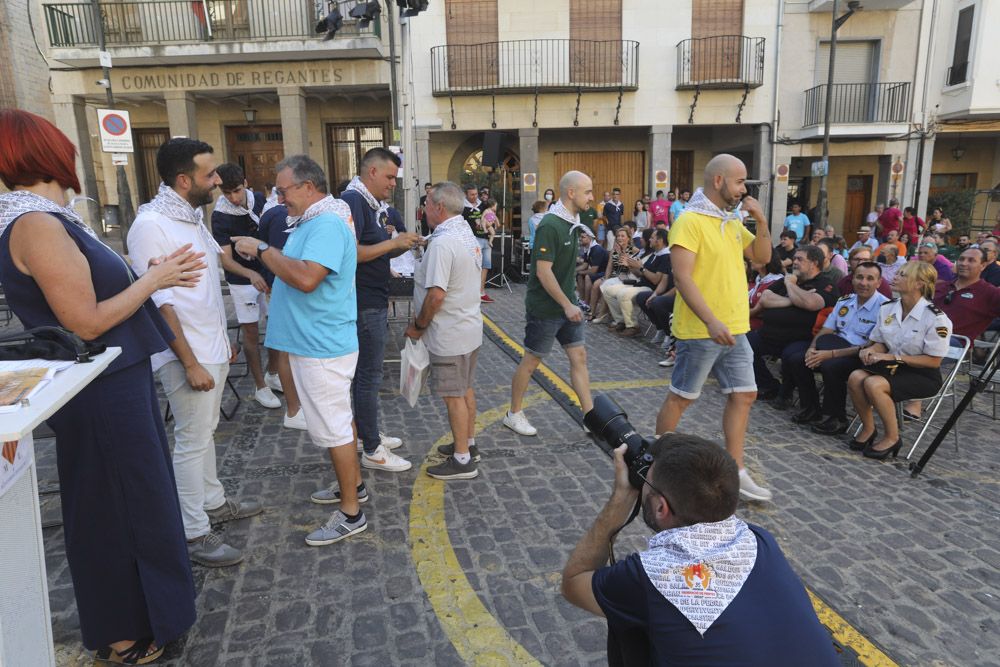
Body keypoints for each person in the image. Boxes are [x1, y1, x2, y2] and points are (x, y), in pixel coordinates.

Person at [0, 109, 199, 665]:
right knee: (118, 509)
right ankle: (124, 632)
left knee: (135, 502)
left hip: (113, 381)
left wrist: (149, 276)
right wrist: (155, 280)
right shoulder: (37, 224)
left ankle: (147, 616)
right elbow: (85, 320)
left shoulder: (45, 217)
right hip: (100, 390)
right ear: (47, 154)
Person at [560, 434, 839, 666]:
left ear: (661, 507)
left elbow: (574, 582)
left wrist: (621, 498)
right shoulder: (759, 540)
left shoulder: (646, 577)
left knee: (625, 618)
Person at [129, 138, 263, 568]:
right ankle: (192, 531)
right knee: (190, 440)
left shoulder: (190, 216)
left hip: (209, 347)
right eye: (209, 174)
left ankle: (213, 502)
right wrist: (188, 360)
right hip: (186, 353)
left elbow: (215, 268)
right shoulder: (151, 225)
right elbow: (159, 303)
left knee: (202, 434)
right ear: (184, 180)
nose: (218, 180)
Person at [233, 154, 366, 546]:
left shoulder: (324, 222)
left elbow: (307, 278)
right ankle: (352, 489)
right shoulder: (317, 219)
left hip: (321, 345)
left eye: (283, 190)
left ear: (308, 187)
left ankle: (350, 514)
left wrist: (261, 249)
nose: (278, 198)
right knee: (339, 421)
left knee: (335, 428)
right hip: (318, 340)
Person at [655, 154, 774, 501]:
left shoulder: (730, 220)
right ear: (719, 181)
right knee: (682, 397)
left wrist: (761, 220)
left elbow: (763, 257)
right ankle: (656, 462)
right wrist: (710, 320)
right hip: (702, 329)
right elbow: (682, 276)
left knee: (744, 395)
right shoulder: (691, 220)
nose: (744, 189)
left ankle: (736, 471)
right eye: (740, 181)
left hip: (735, 326)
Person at [340, 147, 419, 472]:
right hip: (363, 303)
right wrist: (393, 245)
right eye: (388, 177)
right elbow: (350, 252)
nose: (392, 184)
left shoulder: (370, 204)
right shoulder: (353, 201)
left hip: (371, 298)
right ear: (371, 172)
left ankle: (366, 435)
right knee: (368, 377)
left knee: (365, 377)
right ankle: (371, 449)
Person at [400, 182, 485, 479]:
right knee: (465, 389)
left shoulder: (443, 243)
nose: (424, 208)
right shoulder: (462, 233)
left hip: (449, 332)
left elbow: (436, 295)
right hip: (468, 327)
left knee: (453, 396)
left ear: (438, 207)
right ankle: (468, 443)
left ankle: (462, 460)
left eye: (426, 203)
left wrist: (418, 326)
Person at [505, 171, 595, 436]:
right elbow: (543, 272)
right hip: (546, 308)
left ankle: (590, 416)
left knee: (579, 357)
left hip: (568, 305)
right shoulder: (550, 225)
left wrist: (571, 303)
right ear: (571, 192)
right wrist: (567, 305)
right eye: (588, 191)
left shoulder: (573, 222)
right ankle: (514, 413)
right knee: (532, 361)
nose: (592, 197)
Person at [847, 261, 953, 459]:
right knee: (855, 377)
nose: (895, 277)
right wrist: (870, 351)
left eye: (903, 274)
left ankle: (892, 437)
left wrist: (890, 356)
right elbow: (880, 342)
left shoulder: (935, 318)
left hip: (922, 374)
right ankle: (869, 429)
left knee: (873, 383)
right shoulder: (888, 308)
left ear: (919, 283)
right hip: (893, 366)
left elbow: (934, 361)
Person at [785, 262, 890, 434]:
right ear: (852, 279)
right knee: (798, 359)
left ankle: (837, 418)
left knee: (831, 366)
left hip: (861, 355)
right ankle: (811, 408)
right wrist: (813, 347)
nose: (863, 282)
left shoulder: (885, 308)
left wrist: (829, 354)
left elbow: (872, 345)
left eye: (870, 278)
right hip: (833, 347)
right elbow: (827, 329)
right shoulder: (845, 301)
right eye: (859, 277)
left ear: (879, 282)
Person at [210, 162, 281, 410]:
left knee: (276, 326)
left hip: (268, 273)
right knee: (250, 332)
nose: (233, 198)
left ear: (246, 183)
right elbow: (226, 260)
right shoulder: (219, 216)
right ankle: (260, 386)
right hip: (242, 280)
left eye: (237, 190)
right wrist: (250, 273)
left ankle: (273, 373)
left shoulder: (261, 200)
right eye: (226, 193)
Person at [747, 245, 840, 408]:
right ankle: (769, 384)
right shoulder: (786, 280)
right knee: (743, 345)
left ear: (814, 263)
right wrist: (794, 301)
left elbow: (810, 303)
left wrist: (790, 285)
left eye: (800, 259)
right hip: (769, 333)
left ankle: (786, 393)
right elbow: (765, 299)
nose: (794, 262)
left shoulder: (825, 284)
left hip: (800, 338)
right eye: (794, 258)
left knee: (791, 355)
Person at [255, 203, 308, 430]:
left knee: (293, 346)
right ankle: (294, 409)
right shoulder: (275, 215)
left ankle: (298, 403)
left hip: (291, 285)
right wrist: (268, 278)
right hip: (281, 284)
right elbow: (265, 253)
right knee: (286, 347)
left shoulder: (307, 216)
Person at [602, 228, 671, 337]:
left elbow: (656, 280)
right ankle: (621, 321)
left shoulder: (665, 256)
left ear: (660, 241)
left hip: (651, 288)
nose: (649, 240)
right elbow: (639, 273)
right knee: (608, 290)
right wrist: (631, 265)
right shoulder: (655, 254)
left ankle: (632, 326)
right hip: (640, 284)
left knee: (623, 294)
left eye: (652, 238)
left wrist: (641, 268)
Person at [591, 227, 640, 324]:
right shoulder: (614, 250)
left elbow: (630, 267)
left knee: (607, 287)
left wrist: (620, 253)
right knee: (598, 284)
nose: (620, 238)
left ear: (628, 238)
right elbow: (609, 267)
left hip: (627, 276)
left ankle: (603, 313)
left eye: (622, 236)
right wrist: (606, 277)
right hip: (614, 276)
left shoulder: (634, 250)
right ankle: (593, 311)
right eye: (618, 236)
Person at [748, 254, 785, 330]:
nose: (751, 261)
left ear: (765, 261)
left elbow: (760, 312)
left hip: (760, 327)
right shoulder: (758, 280)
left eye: (754, 258)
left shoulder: (776, 282)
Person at [576, 229, 608, 310]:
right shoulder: (588, 249)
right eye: (580, 237)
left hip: (605, 273)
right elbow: (585, 265)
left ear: (590, 238)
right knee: (579, 275)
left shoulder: (597, 249)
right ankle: (582, 300)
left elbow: (593, 270)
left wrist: (580, 271)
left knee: (587, 276)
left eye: (583, 237)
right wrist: (574, 271)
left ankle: (587, 304)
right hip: (598, 272)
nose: (580, 239)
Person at [476, 198, 498, 303]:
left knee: (485, 266)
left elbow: (493, 220)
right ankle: (474, 292)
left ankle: (481, 292)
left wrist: (495, 222)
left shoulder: (490, 211)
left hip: (485, 240)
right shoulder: (475, 208)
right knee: (475, 266)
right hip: (476, 239)